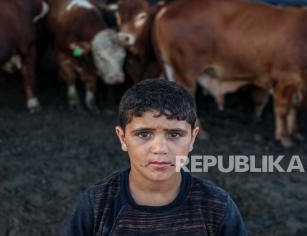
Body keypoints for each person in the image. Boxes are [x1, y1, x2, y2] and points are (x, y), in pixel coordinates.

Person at [62, 79, 247, 235]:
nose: (159, 149)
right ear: (122, 138)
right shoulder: (96, 204)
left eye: (174, 134)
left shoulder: (217, 206)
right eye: (144, 134)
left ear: (192, 138)